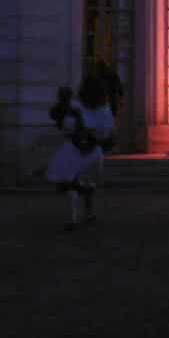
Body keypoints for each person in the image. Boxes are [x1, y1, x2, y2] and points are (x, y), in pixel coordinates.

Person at [45, 78, 115, 231]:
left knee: (71, 184)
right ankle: (89, 213)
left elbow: (67, 127)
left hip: (74, 148)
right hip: (94, 149)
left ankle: (73, 218)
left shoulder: (77, 107)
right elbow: (107, 131)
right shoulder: (105, 109)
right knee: (88, 183)